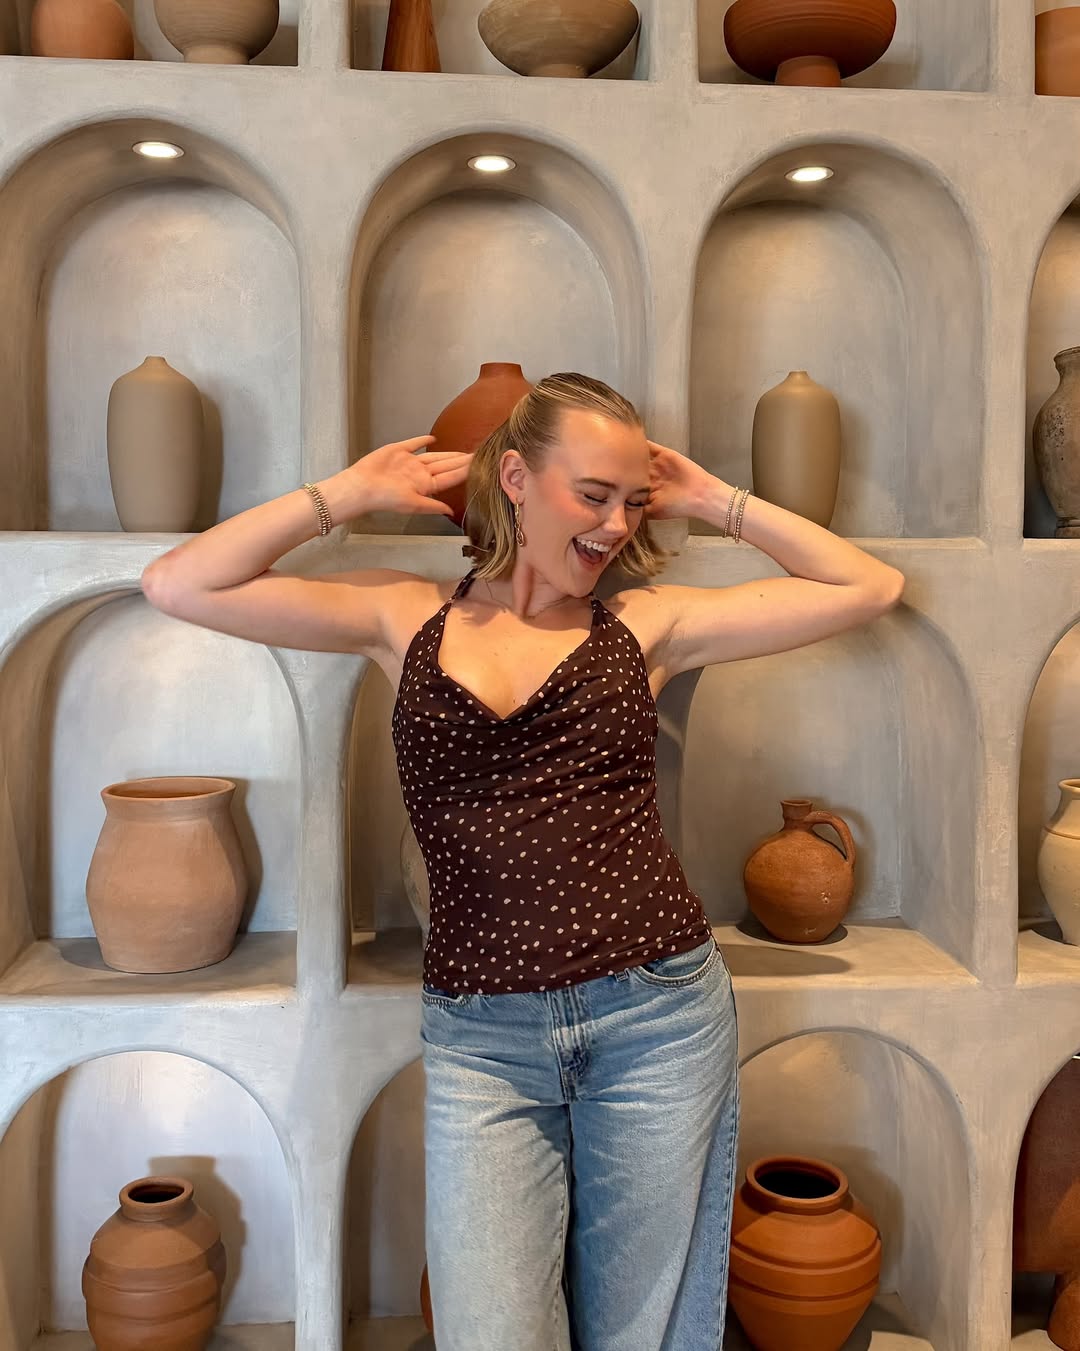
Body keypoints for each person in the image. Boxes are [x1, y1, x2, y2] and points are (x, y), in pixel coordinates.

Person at [141, 371, 904, 1351]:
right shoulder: (405, 617)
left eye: (632, 501)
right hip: (481, 1039)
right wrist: (346, 494)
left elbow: (868, 586)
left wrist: (716, 499)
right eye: (593, 494)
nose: (616, 524)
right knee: (492, 1331)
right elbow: (179, 582)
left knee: (639, 1332)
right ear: (515, 478)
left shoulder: (645, 626)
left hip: (655, 1018)